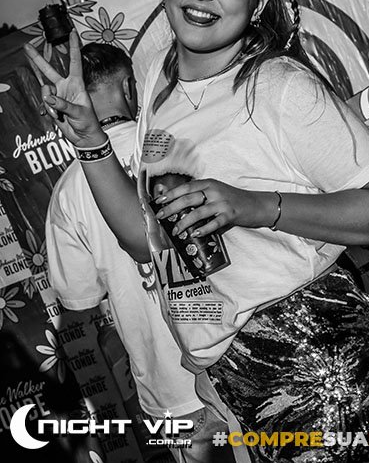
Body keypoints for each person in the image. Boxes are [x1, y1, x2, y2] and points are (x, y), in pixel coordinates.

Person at [26, 0, 369, 463]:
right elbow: (146, 242)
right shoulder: (160, 85)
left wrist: (256, 206)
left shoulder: (278, 86)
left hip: (321, 362)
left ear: (258, 0)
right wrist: (90, 138)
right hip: (235, 378)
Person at [44, 42, 236, 463]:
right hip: (237, 357)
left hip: (169, 388)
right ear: (130, 87)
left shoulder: (67, 192)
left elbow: (81, 298)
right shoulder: (181, 142)